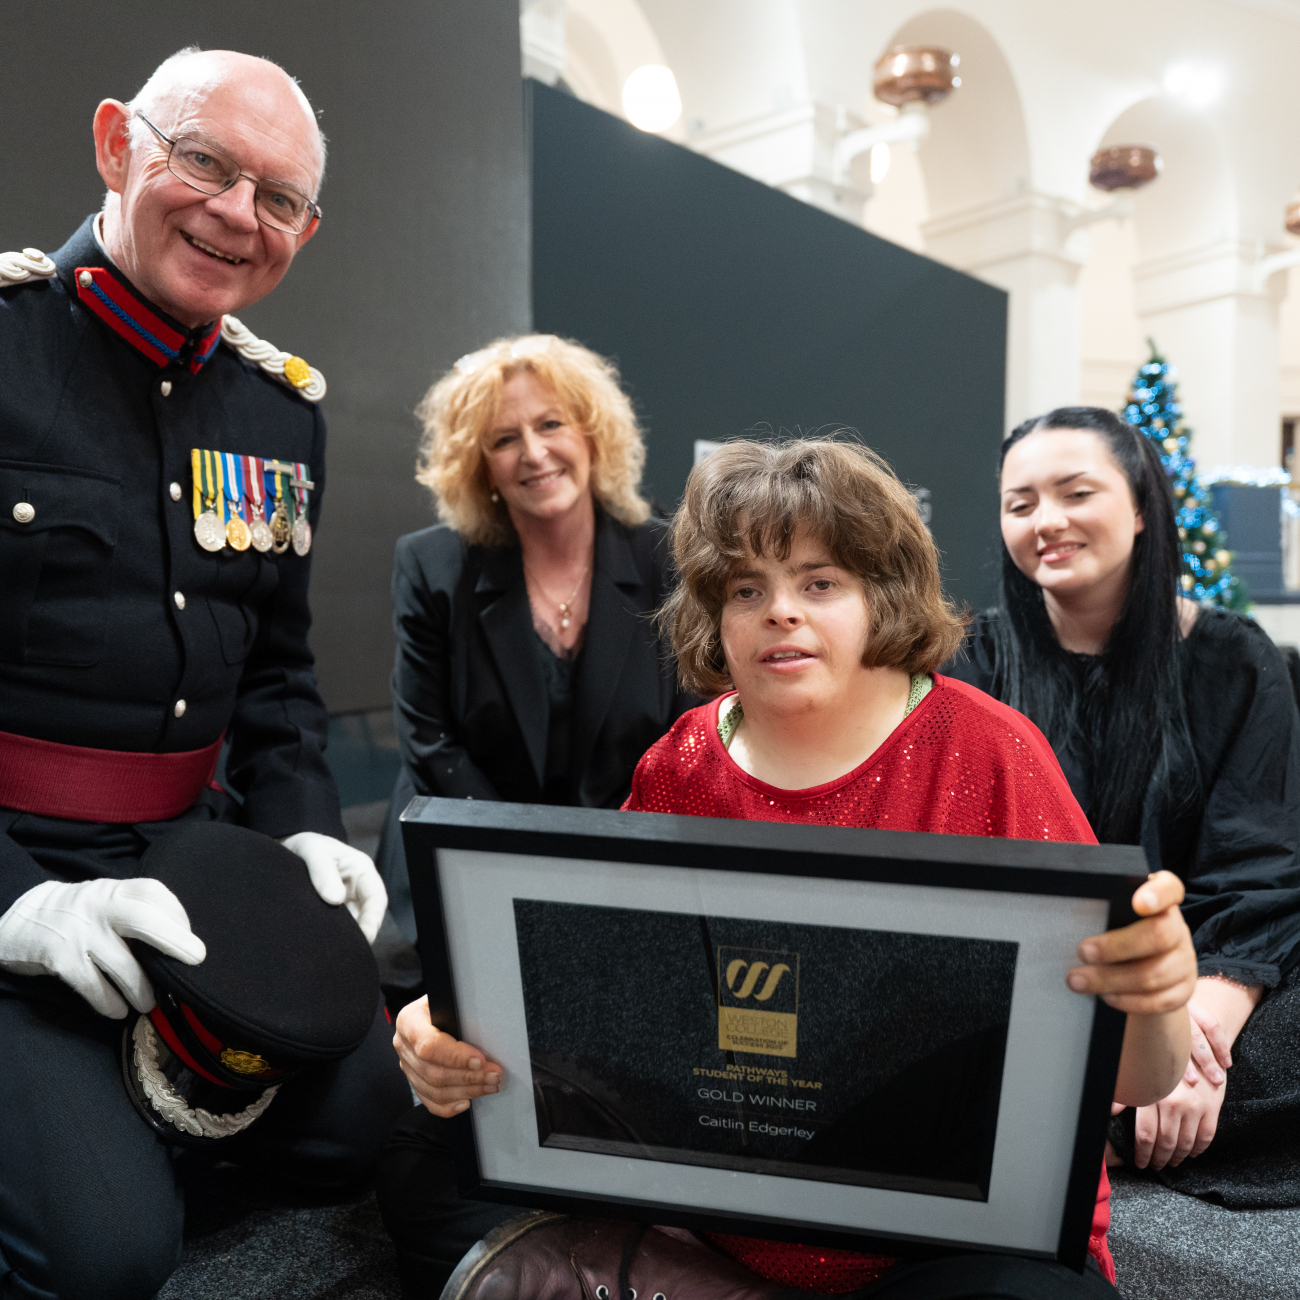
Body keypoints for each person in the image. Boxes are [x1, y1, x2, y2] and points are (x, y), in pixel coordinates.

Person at [376, 438, 1200, 1300]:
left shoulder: (992, 754)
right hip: (716, 1199)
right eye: (745, 589)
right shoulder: (683, 759)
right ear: (712, 615)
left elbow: (1137, 1080)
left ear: (882, 596)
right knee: (421, 1153)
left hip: (937, 1233)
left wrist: (1159, 994)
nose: (780, 612)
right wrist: (456, 1023)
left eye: (820, 582)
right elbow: (594, 991)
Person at [0, 48, 410, 1299]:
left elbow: (279, 683)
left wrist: (299, 835)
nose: (238, 212)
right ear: (119, 143)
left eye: (277, 197)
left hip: (184, 853)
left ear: (305, 230)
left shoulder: (278, 412)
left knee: (366, 1127)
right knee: (107, 1256)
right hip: (16, 860)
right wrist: (20, 905)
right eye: (206, 162)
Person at [944, 407, 1300, 1204]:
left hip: (1203, 969)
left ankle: (1072, 1127)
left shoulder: (1236, 658)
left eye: (1075, 493)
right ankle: (1103, 1116)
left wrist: (1192, 1028)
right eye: (1021, 503)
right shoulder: (975, 662)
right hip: (1037, 985)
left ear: (1141, 510)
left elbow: (1260, 866)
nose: (1048, 522)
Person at [373, 334, 696, 945]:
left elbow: (690, 736)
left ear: (592, 434)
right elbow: (430, 743)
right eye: (503, 439)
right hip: (469, 856)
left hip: (630, 863)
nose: (534, 452)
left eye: (552, 424)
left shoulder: (665, 558)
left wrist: (603, 868)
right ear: (479, 466)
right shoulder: (432, 567)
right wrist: (526, 869)